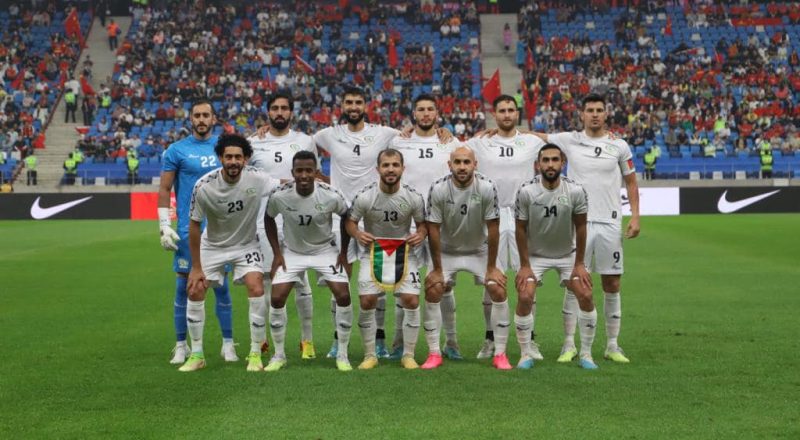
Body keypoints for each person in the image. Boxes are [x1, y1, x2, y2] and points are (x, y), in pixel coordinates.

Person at [539, 94, 640, 364]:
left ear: (606, 114)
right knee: (574, 283)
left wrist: (635, 216)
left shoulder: (619, 145)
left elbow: (631, 182)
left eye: (599, 110)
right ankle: (568, 344)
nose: (594, 114)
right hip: (576, 223)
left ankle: (612, 345)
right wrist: (502, 134)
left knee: (612, 283)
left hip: (609, 222)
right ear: (581, 114)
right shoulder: (568, 140)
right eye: (590, 110)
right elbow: (535, 138)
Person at [180, 134, 280, 372]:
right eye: (228, 157)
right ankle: (197, 354)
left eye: (238, 157)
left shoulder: (258, 178)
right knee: (194, 289)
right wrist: (196, 267)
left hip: (246, 245)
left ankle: (255, 354)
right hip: (213, 245)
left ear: (246, 159)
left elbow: (285, 184)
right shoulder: (204, 186)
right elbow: (194, 225)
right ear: (220, 158)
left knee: (256, 287)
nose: (233, 161)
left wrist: (315, 180)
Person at [158, 99, 238, 365]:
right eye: (197, 115)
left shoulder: (226, 148)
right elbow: (164, 188)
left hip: (221, 229)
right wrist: (163, 225)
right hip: (187, 230)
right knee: (184, 287)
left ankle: (228, 344)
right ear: (190, 119)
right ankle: (181, 346)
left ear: (214, 119)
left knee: (221, 288)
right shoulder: (177, 150)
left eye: (206, 115)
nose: (201, 119)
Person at [467, 94, 544, 360]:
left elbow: (563, 142)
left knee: (527, 278)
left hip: (524, 216)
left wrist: (532, 133)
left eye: (511, 110)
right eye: (502, 110)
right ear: (494, 114)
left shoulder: (531, 141)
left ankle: (530, 340)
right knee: (492, 280)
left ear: (517, 113)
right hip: (491, 215)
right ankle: (490, 338)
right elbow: (451, 148)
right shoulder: (480, 142)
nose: (507, 114)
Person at [423, 146, 511, 370]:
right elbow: (433, 229)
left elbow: (493, 227)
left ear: (475, 164)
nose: (462, 167)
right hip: (447, 250)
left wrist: (492, 267)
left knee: (498, 288)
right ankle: (436, 352)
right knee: (434, 288)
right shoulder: (438, 188)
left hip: (478, 249)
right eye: (457, 162)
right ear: (449, 165)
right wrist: (437, 269)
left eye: (466, 162)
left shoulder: (487, 187)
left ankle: (500, 353)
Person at [264, 151, 353, 372]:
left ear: (316, 172)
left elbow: (346, 216)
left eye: (308, 170)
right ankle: (279, 355)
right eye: (299, 171)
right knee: (277, 297)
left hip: (324, 249)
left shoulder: (331, 194)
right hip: (292, 251)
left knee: (343, 295)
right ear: (292, 172)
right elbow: (268, 218)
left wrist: (343, 252)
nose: (304, 175)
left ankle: (342, 354)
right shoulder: (280, 195)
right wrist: (277, 253)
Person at [388, 94, 461, 360]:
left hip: (442, 220)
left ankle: (451, 342)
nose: (426, 114)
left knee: (444, 284)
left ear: (437, 114)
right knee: (402, 285)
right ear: (413, 114)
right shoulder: (399, 141)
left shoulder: (450, 142)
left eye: (430, 109)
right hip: (406, 220)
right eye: (421, 109)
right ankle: (398, 343)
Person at [514, 143, 598, 370]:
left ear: (563, 163)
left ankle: (586, 354)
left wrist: (579, 264)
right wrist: (524, 265)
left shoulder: (576, 191)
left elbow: (581, 227)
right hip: (535, 256)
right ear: (537, 165)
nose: (550, 164)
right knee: (525, 296)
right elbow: (520, 229)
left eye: (554, 160)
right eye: (545, 160)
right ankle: (525, 353)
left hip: (568, 255)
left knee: (586, 294)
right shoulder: (526, 191)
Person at [248, 93, 318, 359]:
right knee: (269, 281)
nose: (280, 112)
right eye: (275, 108)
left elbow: (313, 176)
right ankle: (265, 341)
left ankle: (307, 341)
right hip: (263, 220)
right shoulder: (253, 142)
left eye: (284, 108)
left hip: (298, 219)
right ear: (268, 112)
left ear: (291, 112)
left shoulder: (305, 141)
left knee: (301, 280)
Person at [346, 149, 427, 370]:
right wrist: (357, 233)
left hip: (404, 252)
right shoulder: (365, 196)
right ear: (378, 169)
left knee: (411, 300)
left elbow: (422, 224)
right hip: (373, 252)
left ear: (403, 168)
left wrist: (421, 234)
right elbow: (350, 222)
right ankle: (370, 355)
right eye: (386, 165)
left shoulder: (413, 196)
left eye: (395, 165)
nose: (390, 169)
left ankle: (408, 355)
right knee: (367, 301)